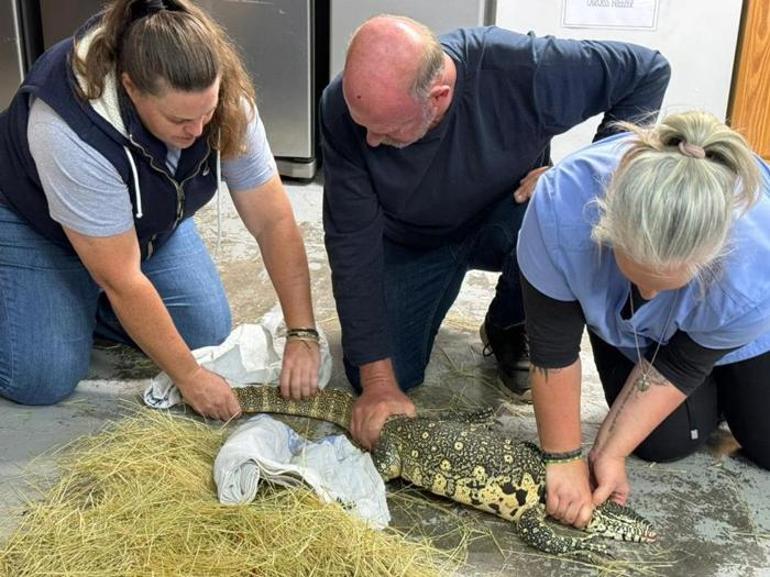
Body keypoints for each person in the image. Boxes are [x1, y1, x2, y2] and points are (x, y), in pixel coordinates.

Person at [320, 14, 671, 448]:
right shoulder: (343, 106)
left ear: (439, 96)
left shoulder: (524, 70)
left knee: (563, 215)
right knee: (382, 373)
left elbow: (647, 71)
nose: (370, 141)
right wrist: (377, 380)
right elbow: (350, 240)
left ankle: (509, 323)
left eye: (385, 130)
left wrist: (587, 173)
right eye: (364, 125)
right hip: (413, 240)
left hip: (507, 218)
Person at [0, 0, 322, 420]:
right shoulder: (67, 127)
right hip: (36, 224)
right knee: (43, 376)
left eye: (206, 114)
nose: (199, 130)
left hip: (143, 221)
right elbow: (123, 279)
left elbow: (272, 220)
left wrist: (302, 331)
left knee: (206, 335)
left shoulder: (221, 100)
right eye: (179, 120)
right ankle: (54, 291)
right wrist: (189, 378)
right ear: (131, 88)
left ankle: (78, 301)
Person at [517, 110, 770, 530]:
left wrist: (612, 448)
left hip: (737, 323)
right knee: (664, 441)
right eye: (638, 275)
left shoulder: (755, 264)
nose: (649, 295)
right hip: (632, 322)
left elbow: (686, 361)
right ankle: (704, 402)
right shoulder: (562, 206)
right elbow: (552, 347)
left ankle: (731, 389)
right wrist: (566, 458)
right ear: (607, 221)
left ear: (713, 255)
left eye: (667, 283)